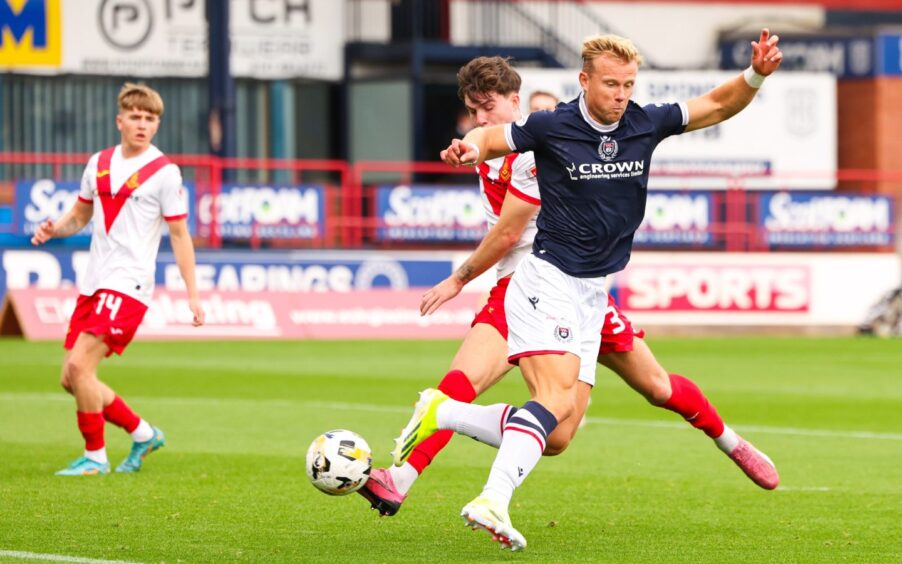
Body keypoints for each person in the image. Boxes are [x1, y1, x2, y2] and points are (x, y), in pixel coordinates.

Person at [391, 30, 784, 551]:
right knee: (551, 399)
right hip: (547, 278)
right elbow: (494, 140)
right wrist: (469, 146)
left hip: (593, 291)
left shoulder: (644, 121)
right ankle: (491, 499)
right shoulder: (552, 127)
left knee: (569, 429)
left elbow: (716, 104)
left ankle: (445, 413)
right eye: (610, 84)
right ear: (584, 81)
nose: (620, 94)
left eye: (627, 85)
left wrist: (756, 74)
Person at [31, 82, 205, 476]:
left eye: (151, 119)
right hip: (94, 281)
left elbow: (180, 234)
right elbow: (80, 214)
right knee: (70, 378)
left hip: (129, 284)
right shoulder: (99, 162)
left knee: (79, 369)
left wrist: (192, 295)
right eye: (136, 117)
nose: (143, 124)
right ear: (120, 121)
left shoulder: (164, 173)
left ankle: (95, 458)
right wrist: (53, 229)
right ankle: (143, 433)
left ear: (157, 125)